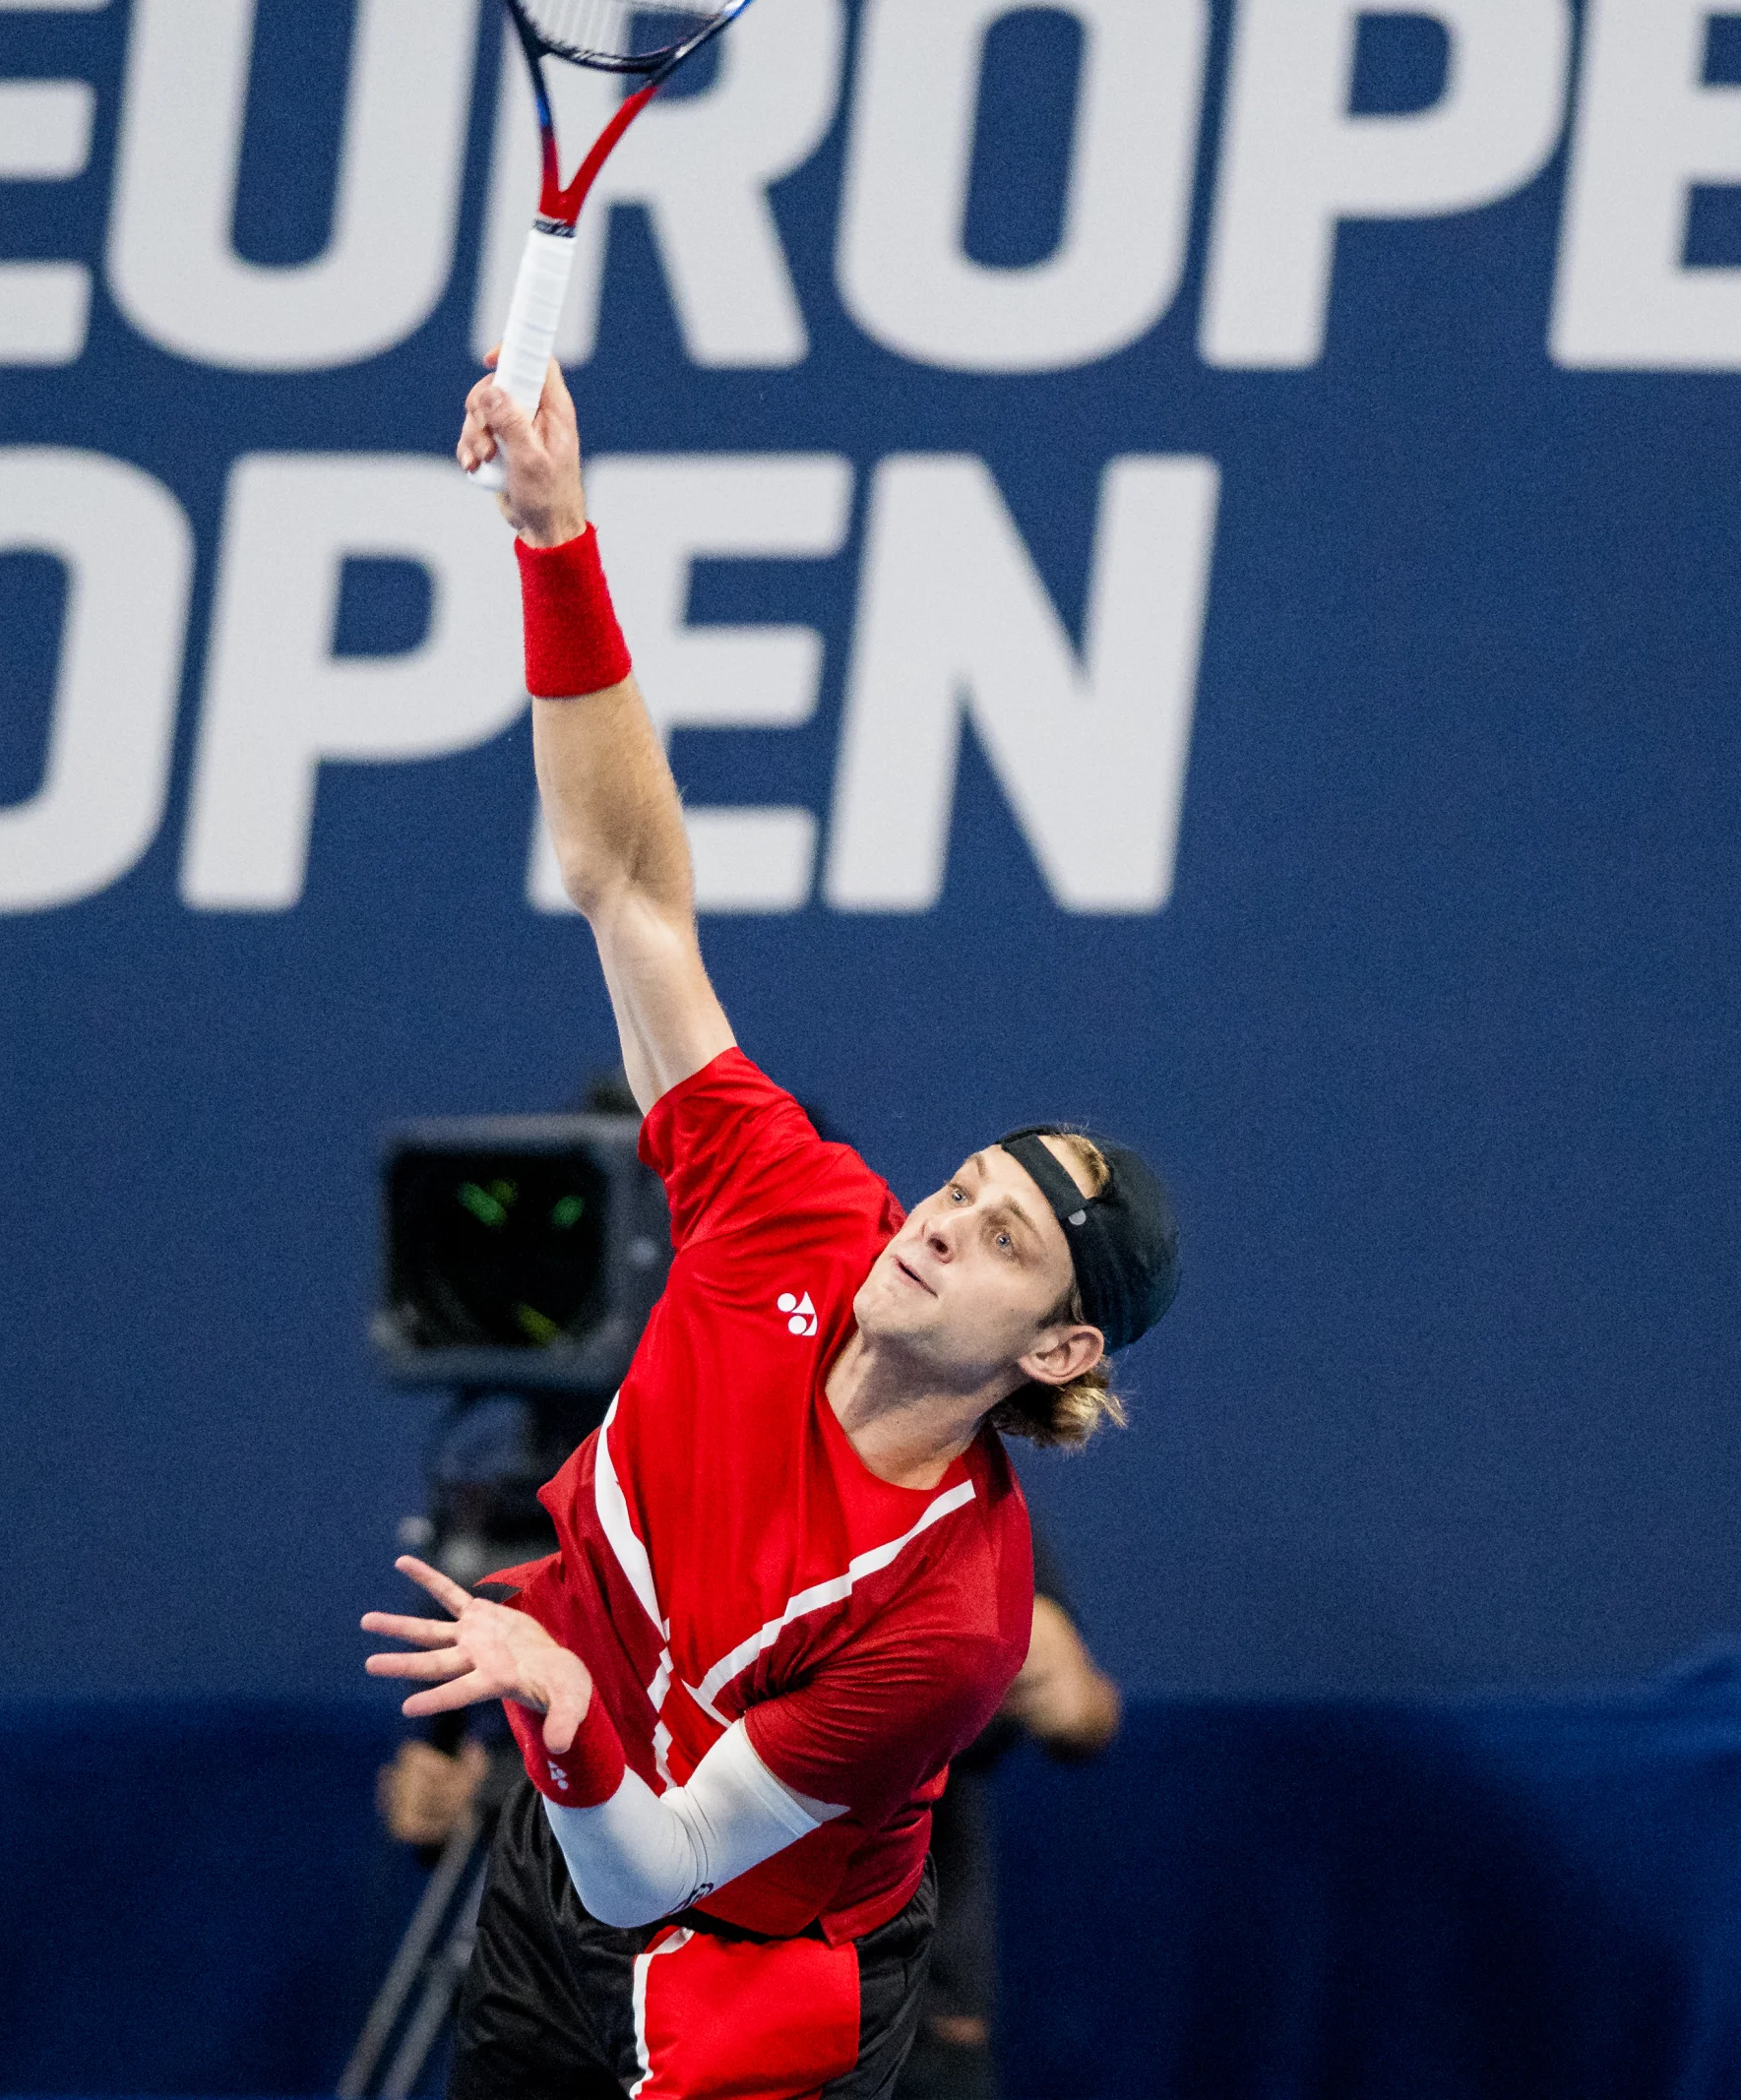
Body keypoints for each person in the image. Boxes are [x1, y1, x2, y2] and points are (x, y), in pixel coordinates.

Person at [355, 357, 1183, 2100]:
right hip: (552, 1895)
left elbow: (659, 1864)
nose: (945, 1223)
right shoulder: (793, 1208)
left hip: (762, 1989)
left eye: (1007, 1241)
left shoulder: (954, 1616)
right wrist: (559, 538)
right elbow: (635, 891)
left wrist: (565, 1720)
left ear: (1059, 1350)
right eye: (963, 1187)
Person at [899, 1546, 1117, 2100]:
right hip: (728, 1988)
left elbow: (1083, 1704)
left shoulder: (970, 1491)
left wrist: (1071, 1690)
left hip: (929, 2007)